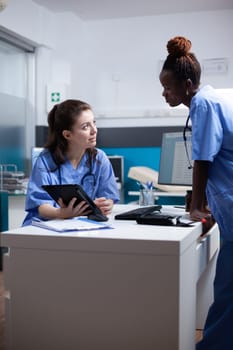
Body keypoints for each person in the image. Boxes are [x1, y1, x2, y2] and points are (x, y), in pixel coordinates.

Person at [159, 36, 233, 349]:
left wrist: (195, 208)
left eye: (168, 88)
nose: (164, 94)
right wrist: (199, 202)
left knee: (228, 290)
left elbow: (203, 161)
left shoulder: (203, 102)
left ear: (188, 84)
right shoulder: (213, 97)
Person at [23, 99, 120, 226]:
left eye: (94, 123)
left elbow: (109, 197)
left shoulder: (99, 158)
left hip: (81, 225)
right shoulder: (46, 160)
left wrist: (107, 204)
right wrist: (61, 213)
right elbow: (39, 204)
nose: (94, 130)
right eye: (86, 127)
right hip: (44, 225)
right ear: (68, 135)